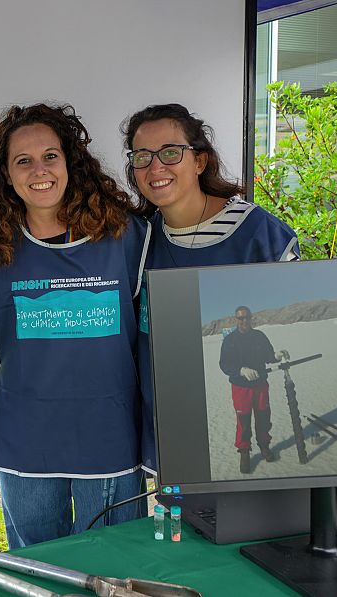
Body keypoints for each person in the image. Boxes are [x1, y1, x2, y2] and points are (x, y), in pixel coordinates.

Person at [0, 103, 150, 548]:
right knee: (37, 570)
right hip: (27, 436)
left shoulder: (125, 235)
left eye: (50, 156)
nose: (40, 170)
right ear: (6, 174)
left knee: (112, 566)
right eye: (23, 161)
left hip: (108, 435)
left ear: (70, 161)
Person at [122, 103, 299, 472]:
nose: (156, 167)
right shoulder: (139, 239)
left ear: (199, 161)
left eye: (170, 153)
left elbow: (286, 310)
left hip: (249, 422)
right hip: (172, 435)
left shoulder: (259, 235)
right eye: (142, 157)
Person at [219, 306, 289, 474]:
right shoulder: (230, 341)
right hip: (241, 387)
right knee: (243, 421)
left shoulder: (259, 336)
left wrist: (276, 356)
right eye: (240, 318)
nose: (244, 321)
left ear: (251, 318)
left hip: (260, 385)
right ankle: (244, 451)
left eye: (247, 317)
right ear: (236, 319)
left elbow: (268, 356)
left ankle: (264, 446)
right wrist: (240, 370)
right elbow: (224, 364)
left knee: (263, 417)